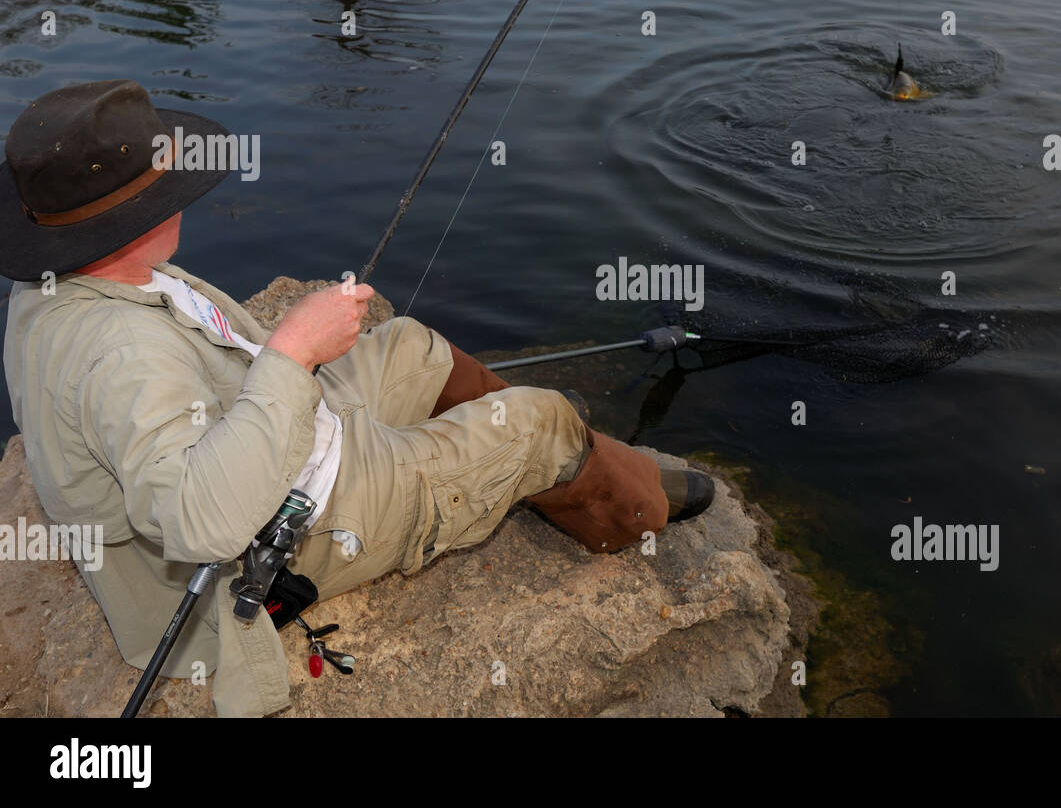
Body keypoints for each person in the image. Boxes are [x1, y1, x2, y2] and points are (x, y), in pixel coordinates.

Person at [0, 80, 714, 716]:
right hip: (299, 522)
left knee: (411, 345)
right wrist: (290, 352)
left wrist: (288, 361)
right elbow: (200, 522)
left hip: (276, 434)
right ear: (132, 215)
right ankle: (629, 504)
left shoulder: (65, 280)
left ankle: (540, 470)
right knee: (541, 420)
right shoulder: (124, 357)